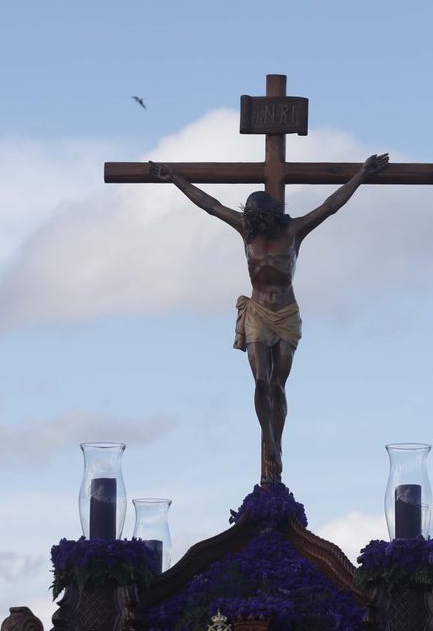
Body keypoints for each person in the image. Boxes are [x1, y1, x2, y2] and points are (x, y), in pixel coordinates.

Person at [153, 152, 391, 482]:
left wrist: (362, 175)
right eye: (249, 217)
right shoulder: (246, 230)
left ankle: (277, 443)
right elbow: (209, 204)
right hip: (257, 312)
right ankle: (269, 441)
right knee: (260, 380)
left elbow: (330, 205)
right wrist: (176, 178)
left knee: (278, 384)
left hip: (286, 314)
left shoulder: (294, 230)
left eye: (256, 216)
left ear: (269, 215)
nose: (251, 221)